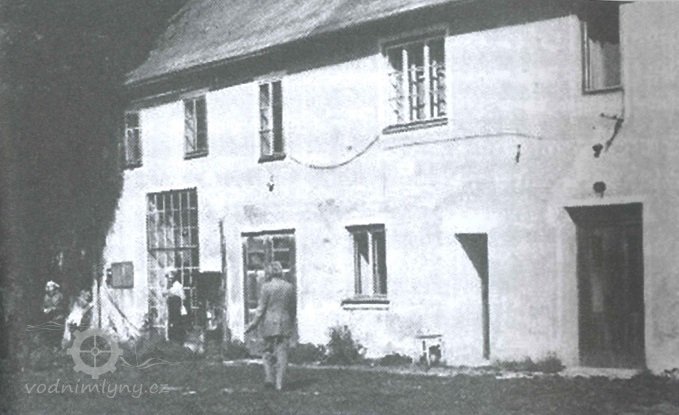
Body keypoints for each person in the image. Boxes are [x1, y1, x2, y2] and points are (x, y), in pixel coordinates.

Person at [245, 261, 296, 391]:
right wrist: (291, 321)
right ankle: (279, 384)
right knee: (282, 353)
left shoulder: (266, 287)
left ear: (269, 272)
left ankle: (269, 378)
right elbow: (292, 308)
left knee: (267, 352)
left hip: (269, 322)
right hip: (285, 322)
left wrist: (253, 324)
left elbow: (261, 308)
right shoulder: (289, 287)